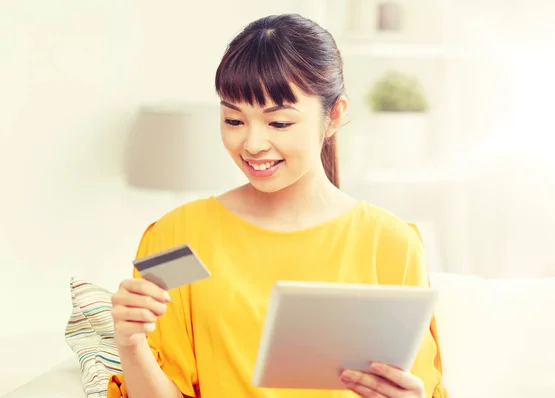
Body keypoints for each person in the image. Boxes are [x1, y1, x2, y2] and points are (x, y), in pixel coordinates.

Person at [108, 13, 447, 398]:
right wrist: (131, 343)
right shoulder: (179, 238)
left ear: (334, 115)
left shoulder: (389, 243)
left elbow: (416, 386)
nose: (252, 144)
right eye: (234, 120)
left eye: (279, 124)